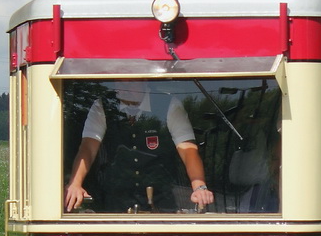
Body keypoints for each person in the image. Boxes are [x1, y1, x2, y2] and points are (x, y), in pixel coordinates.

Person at [64, 82, 215, 213]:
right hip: (114, 200)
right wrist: (75, 183)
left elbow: (188, 149)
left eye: (131, 82)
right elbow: (88, 148)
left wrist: (199, 186)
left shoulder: (169, 104)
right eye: (121, 83)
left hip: (161, 201)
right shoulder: (103, 106)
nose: (126, 88)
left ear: (144, 81)